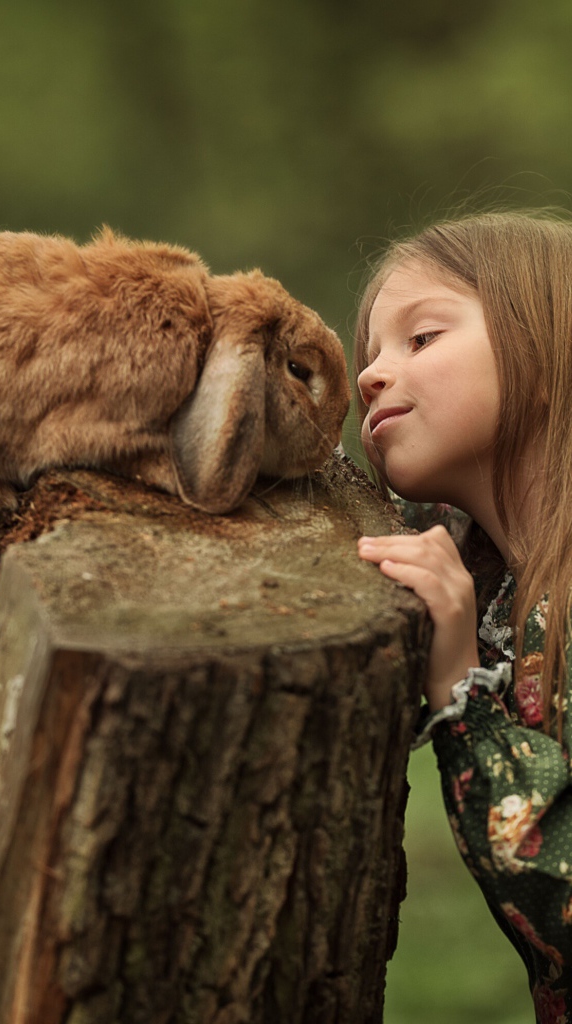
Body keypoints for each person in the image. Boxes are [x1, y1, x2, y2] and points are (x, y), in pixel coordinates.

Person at [355, 211, 572, 1024]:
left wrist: (461, 697)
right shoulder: (497, 592)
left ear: (546, 352)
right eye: (368, 356)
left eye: (420, 339)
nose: (371, 375)